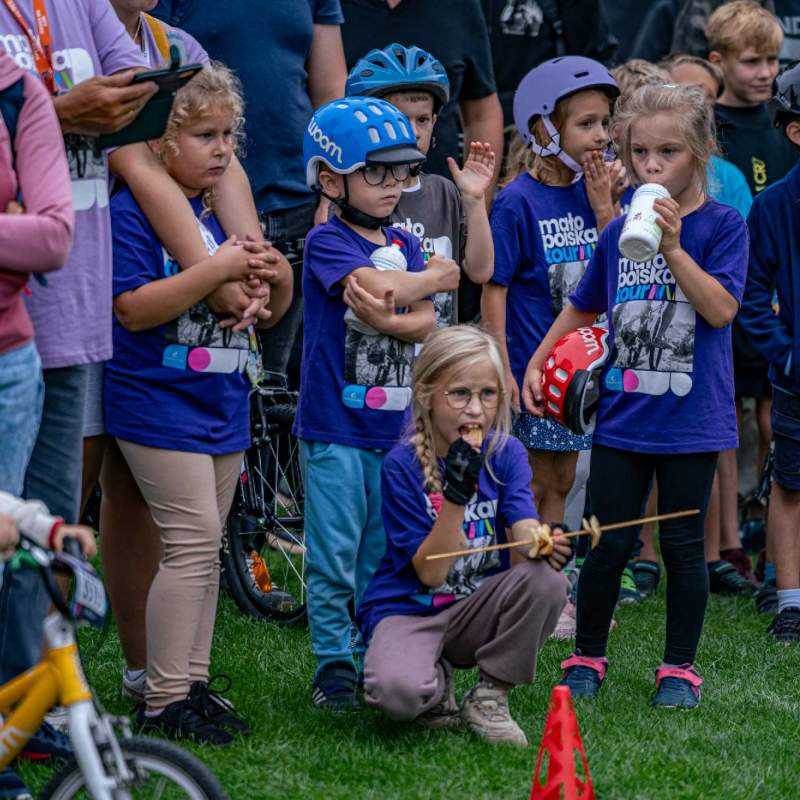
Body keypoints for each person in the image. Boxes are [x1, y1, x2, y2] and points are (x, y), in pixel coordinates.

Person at [524, 83, 748, 708]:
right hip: (623, 417)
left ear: (701, 151)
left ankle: (679, 668)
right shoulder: (618, 230)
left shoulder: (722, 227)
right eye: (641, 153)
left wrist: (673, 248)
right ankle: (587, 654)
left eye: (668, 153)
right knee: (606, 542)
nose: (652, 167)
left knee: (681, 548)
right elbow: (583, 304)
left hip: (691, 421)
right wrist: (540, 359)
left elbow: (722, 310)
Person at [105, 63, 290, 744]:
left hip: (221, 398)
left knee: (207, 548)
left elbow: (269, 306)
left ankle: (192, 685)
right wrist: (211, 272)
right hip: (157, 401)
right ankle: (160, 702)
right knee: (187, 545)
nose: (220, 149)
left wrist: (270, 284)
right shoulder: (135, 214)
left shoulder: (220, 216)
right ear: (160, 144)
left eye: (228, 136)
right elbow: (130, 308)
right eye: (204, 135)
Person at [295, 95, 460, 709]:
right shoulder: (327, 242)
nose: (395, 185)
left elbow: (423, 325)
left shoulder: (403, 243)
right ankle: (332, 663)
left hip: (394, 433)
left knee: (380, 549)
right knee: (336, 551)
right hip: (335, 427)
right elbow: (380, 290)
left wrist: (400, 304)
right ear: (331, 179)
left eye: (404, 171)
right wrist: (431, 282)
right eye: (377, 171)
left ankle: (374, 652)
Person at [357, 325, 569, 746]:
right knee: (397, 698)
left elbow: (522, 522)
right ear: (427, 396)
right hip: (411, 608)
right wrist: (455, 497)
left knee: (549, 581)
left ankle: (490, 693)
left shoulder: (505, 453)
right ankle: (433, 683)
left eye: (487, 395)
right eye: (459, 394)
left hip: (475, 605)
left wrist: (542, 541)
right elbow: (430, 575)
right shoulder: (401, 465)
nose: (475, 410)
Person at [153, 0, 348, 383]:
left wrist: (332, 185)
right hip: (197, 209)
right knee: (204, 376)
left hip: (298, 201)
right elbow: (160, 107)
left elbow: (330, 91)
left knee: (279, 389)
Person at [482, 57, 624, 528]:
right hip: (538, 371)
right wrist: (503, 367)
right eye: (587, 124)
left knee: (566, 480)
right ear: (542, 131)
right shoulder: (516, 201)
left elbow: (618, 267)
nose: (602, 135)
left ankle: (558, 573)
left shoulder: (599, 191)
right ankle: (529, 575)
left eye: (605, 122)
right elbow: (494, 287)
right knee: (537, 480)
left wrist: (607, 207)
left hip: (590, 368)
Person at [708, 0, 795, 597]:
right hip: (728, 295)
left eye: (773, 60)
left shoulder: (781, 122)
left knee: (770, 420)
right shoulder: (710, 125)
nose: (765, 71)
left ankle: (769, 545)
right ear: (719, 62)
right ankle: (732, 539)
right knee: (729, 420)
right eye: (752, 60)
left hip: (776, 309)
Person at [665, 50, 757, 595]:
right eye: (681, 94)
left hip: (710, 343)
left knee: (719, 436)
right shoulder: (641, 190)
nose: (693, 103)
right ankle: (656, 554)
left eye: (703, 95)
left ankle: (722, 547)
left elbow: (728, 292)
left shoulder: (726, 187)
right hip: (651, 359)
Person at [345, 43, 494, 327]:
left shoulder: (443, 191)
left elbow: (481, 271)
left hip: (436, 360)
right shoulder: (356, 198)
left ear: (435, 122)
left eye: (422, 119)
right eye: (398, 119)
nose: (413, 131)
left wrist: (474, 200)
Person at [738, 60, 800, 641]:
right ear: (795, 131)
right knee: (790, 483)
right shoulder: (776, 206)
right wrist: (783, 354)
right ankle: (789, 601)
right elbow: (752, 292)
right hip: (795, 378)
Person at [0, 47, 72, 499]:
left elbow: (53, 237)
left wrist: (30, 232)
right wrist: (12, 231)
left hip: (6, 367)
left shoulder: (19, 92)